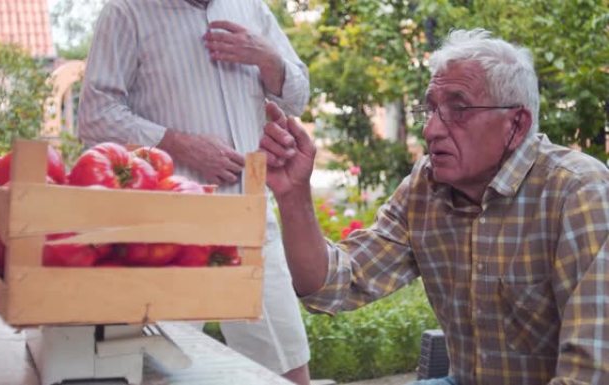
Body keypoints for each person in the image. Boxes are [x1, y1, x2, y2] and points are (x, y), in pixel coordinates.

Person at [260, 28, 609, 385]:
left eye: (458, 110)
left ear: (516, 125)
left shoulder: (578, 192)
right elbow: (330, 286)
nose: (431, 130)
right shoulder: (426, 188)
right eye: (430, 109)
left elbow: (590, 374)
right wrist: (293, 194)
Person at [77, 0, 311, 383]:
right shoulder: (126, 12)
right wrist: (177, 144)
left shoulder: (250, 8)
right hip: (165, 234)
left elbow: (298, 96)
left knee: (288, 370)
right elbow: (95, 116)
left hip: (251, 225)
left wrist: (269, 59)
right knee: (158, 372)